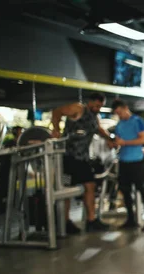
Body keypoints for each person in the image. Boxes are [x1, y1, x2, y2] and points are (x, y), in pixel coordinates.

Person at [51, 92, 111, 233]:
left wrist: (110, 139)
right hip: (67, 158)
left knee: (90, 186)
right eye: (96, 105)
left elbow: (100, 130)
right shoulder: (78, 108)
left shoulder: (94, 117)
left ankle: (91, 221)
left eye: (100, 106)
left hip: (82, 159)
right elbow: (57, 112)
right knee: (65, 190)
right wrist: (56, 129)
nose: (98, 108)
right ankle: (65, 222)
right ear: (90, 102)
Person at [111, 99, 144, 232]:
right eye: (117, 113)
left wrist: (125, 143)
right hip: (124, 161)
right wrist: (114, 143)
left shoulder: (138, 121)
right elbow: (118, 140)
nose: (119, 115)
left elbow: (143, 139)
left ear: (125, 107)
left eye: (120, 112)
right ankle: (131, 219)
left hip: (137, 161)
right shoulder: (119, 124)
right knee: (125, 191)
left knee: (143, 190)